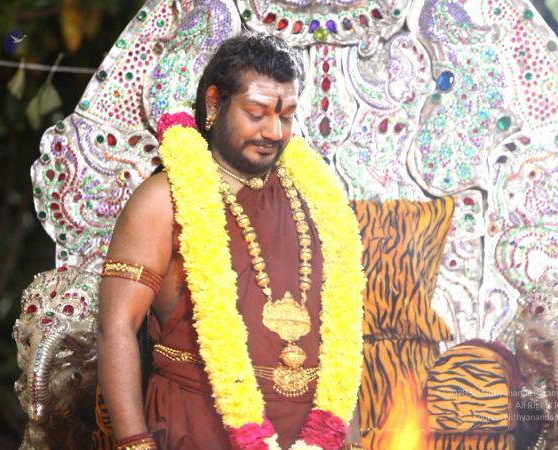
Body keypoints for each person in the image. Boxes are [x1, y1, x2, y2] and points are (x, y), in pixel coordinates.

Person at [97, 32, 365, 450]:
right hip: (196, 429)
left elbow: (341, 337)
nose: (274, 132)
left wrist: (349, 438)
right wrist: (134, 442)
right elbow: (116, 324)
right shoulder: (164, 200)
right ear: (213, 103)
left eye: (286, 116)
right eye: (256, 113)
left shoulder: (317, 202)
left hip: (310, 436)